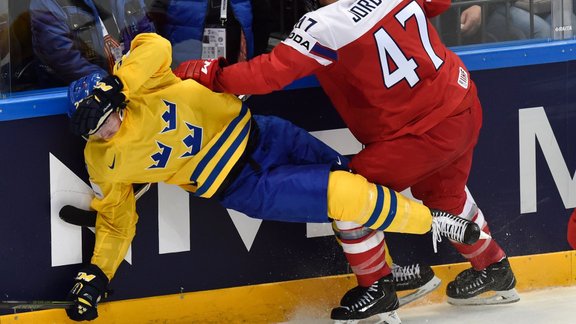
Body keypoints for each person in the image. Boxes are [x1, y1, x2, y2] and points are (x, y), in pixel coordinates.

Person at [64, 32, 483, 322]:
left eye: (107, 117)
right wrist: (98, 273)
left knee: (352, 180)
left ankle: (383, 281)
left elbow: (155, 45)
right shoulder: (103, 161)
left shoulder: (140, 85)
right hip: (243, 185)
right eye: (94, 131)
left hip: (267, 134)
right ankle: (435, 222)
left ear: (115, 100)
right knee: (343, 193)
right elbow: (116, 219)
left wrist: (120, 80)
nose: (106, 131)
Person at [173, 0, 521, 321]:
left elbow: (268, 75)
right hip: (462, 104)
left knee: (348, 194)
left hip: (419, 135)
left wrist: (212, 75)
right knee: (447, 196)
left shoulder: (325, 24)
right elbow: (441, 3)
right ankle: (494, 269)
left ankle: (378, 288)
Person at [28, 0, 155, 87]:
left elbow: (147, 38)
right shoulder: (47, 3)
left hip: (134, 91)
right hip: (80, 102)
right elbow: (64, 59)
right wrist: (114, 85)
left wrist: (137, 75)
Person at [148, 0, 272, 67]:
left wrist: (255, 56)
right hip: (181, 64)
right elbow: (153, 16)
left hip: (234, 63)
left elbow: (262, 19)